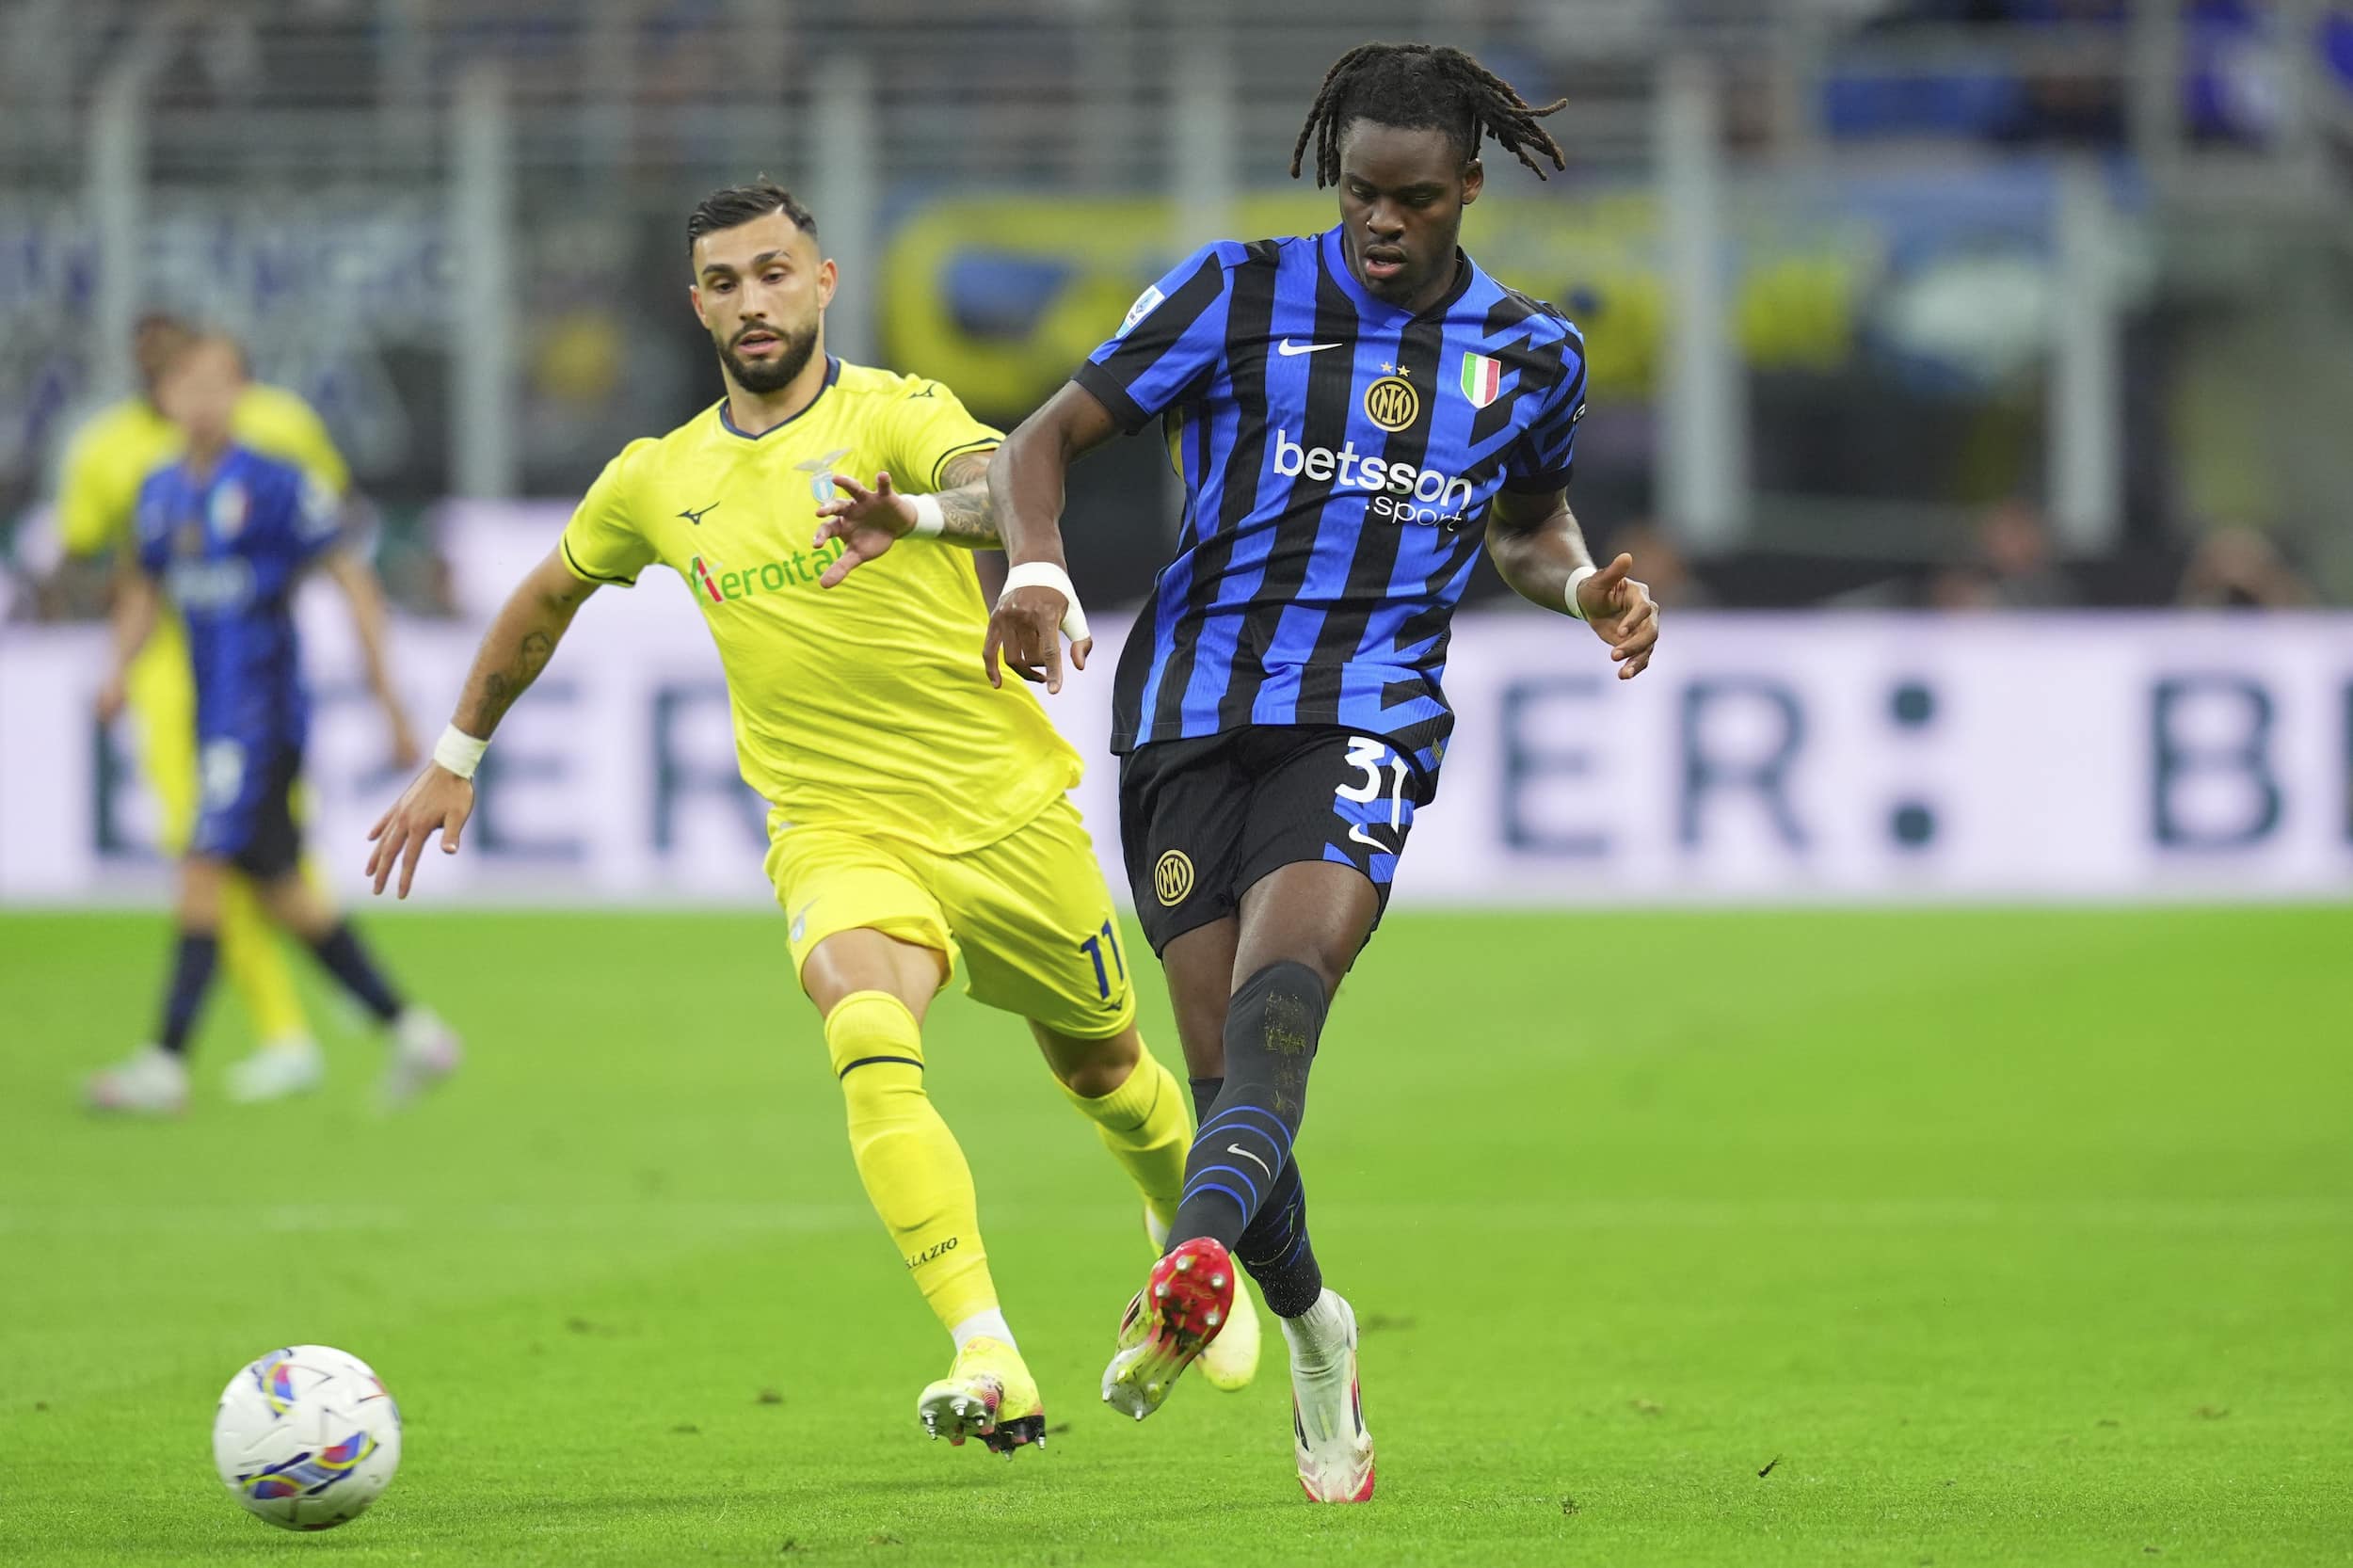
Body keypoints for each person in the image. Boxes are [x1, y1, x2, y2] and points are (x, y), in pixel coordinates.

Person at [362, 180, 1260, 1457]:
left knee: (1107, 1072)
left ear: (824, 282)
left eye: (775, 272)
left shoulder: (893, 411)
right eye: (725, 281)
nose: (753, 300)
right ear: (696, 305)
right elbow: (547, 595)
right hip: (835, 830)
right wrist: (455, 755)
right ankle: (985, 1349)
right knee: (867, 1029)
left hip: (1001, 812)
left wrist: (978, 539)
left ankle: (1192, 1242)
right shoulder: (657, 477)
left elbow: (1000, 477)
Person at [979, 42, 1659, 1500]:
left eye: (1415, 198)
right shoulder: (1232, 293)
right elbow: (1041, 441)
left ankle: (1188, 1264)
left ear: (1469, 187)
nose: (1383, 222)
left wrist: (1581, 585)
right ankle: (1314, 1325)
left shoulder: (1530, 354)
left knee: (1282, 1007)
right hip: (1186, 714)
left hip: (1366, 713)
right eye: (1360, 193)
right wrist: (1034, 565)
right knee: (1224, 1074)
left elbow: (1528, 525)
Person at [85, 335, 458, 1115]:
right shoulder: (159, 491)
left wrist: (388, 700)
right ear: (165, 396)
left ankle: (165, 1062)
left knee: (202, 863)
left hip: (261, 714)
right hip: (211, 712)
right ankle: (414, 1032)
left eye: (219, 384)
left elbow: (353, 582)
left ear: (243, 394)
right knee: (281, 889)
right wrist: (118, 670)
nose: (203, 400)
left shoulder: (279, 483)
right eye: (188, 384)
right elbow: (144, 589)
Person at [56, 314, 358, 1101]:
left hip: (257, 693)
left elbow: (335, 528)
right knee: (241, 868)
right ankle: (373, 1016)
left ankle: (244, 1041)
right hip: (172, 687)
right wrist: (117, 665)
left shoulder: (279, 436)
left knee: (223, 862)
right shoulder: (114, 453)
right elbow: (101, 556)